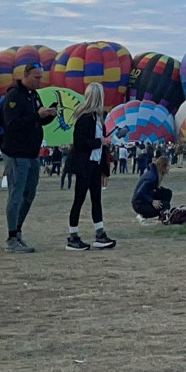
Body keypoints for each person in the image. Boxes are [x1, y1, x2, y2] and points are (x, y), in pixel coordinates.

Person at [0, 62, 47, 251]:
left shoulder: (33, 95)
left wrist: (48, 115)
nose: (39, 81)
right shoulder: (14, 95)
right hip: (16, 153)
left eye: (41, 77)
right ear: (25, 75)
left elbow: (37, 118)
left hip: (32, 153)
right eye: (36, 77)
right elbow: (13, 123)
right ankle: (11, 238)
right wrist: (37, 116)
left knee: (29, 194)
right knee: (16, 194)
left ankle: (17, 231)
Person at [66, 87, 115, 251]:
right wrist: (98, 141)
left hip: (95, 164)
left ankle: (100, 233)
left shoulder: (98, 119)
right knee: (79, 199)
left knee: (96, 199)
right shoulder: (85, 118)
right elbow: (79, 142)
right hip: (84, 165)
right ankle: (73, 236)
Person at [132, 156, 174, 223]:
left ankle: (162, 217)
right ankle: (143, 215)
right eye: (168, 167)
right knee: (166, 205)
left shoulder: (155, 173)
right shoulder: (152, 177)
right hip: (139, 204)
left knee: (167, 193)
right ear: (163, 167)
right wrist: (152, 201)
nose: (169, 168)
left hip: (146, 196)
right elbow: (140, 193)